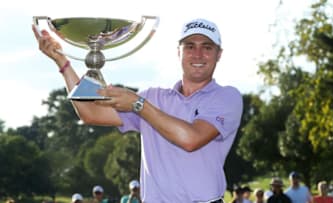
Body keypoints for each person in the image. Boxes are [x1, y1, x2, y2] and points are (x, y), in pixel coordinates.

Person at [32, 17, 243, 203]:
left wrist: (138, 105)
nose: (198, 54)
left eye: (207, 47)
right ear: (178, 52)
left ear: (219, 54)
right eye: (189, 46)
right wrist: (63, 62)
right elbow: (91, 112)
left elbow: (191, 139)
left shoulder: (227, 96)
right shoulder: (152, 97)